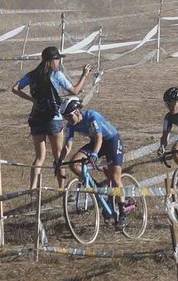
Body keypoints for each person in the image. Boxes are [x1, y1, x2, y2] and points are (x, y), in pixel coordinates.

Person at [12, 46, 80, 192]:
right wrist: (85, 76)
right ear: (50, 61)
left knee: (39, 157)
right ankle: (61, 190)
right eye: (57, 59)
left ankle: (32, 188)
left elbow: (15, 88)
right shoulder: (57, 75)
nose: (59, 62)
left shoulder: (32, 75)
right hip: (53, 119)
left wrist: (32, 100)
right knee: (58, 157)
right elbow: (75, 91)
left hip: (36, 119)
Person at [59, 96, 131, 214]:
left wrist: (95, 154)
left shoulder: (91, 116)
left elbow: (99, 137)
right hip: (96, 143)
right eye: (65, 117)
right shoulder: (70, 125)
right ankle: (96, 187)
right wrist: (59, 161)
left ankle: (123, 210)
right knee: (74, 164)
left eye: (69, 116)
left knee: (115, 178)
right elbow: (67, 145)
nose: (68, 120)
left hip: (111, 141)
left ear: (77, 111)